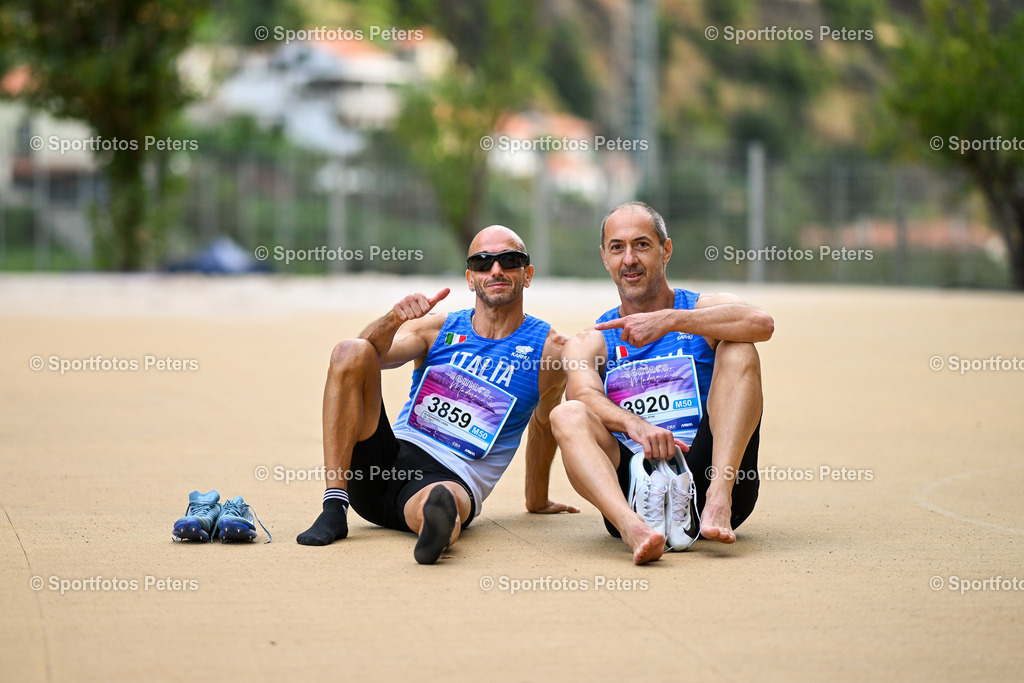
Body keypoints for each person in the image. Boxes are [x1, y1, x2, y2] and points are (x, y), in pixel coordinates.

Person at [297, 226, 578, 563]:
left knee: (442, 500)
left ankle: (436, 527)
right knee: (349, 350)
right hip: (384, 459)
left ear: (527, 274)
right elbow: (367, 357)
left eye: (509, 260)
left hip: (450, 477)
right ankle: (333, 506)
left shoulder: (550, 351)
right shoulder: (438, 327)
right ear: (470, 278)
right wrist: (393, 318)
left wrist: (536, 499)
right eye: (483, 262)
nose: (496, 270)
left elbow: (545, 422)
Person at [550, 202, 773, 564]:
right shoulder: (592, 339)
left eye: (642, 245)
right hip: (637, 488)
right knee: (568, 413)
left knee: (739, 348)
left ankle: (717, 502)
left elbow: (761, 323)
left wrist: (670, 321)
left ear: (665, 250)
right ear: (605, 257)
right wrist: (636, 425)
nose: (630, 259)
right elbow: (581, 393)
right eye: (618, 247)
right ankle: (632, 529)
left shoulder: (698, 309)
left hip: (705, 472)